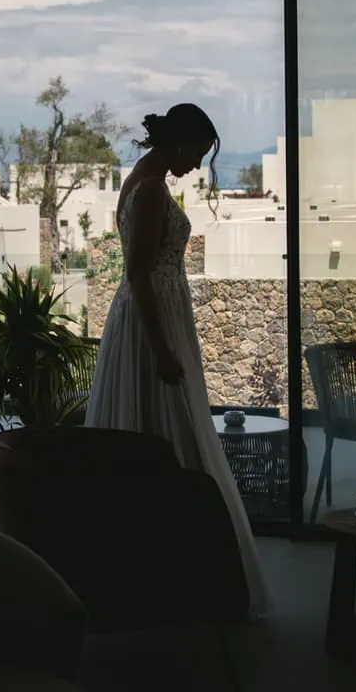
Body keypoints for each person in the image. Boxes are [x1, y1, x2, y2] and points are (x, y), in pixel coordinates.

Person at [84, 103, 273, 620]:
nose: (196, 164)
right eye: (197, 152)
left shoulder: (145, 182)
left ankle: (157, 570)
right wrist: (163, 348)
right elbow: (139, 273)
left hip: (156, 315)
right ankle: (176, 569)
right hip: (152, 322)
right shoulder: (148, 190)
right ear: (181, 142)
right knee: (168, 429)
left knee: (156, 428)